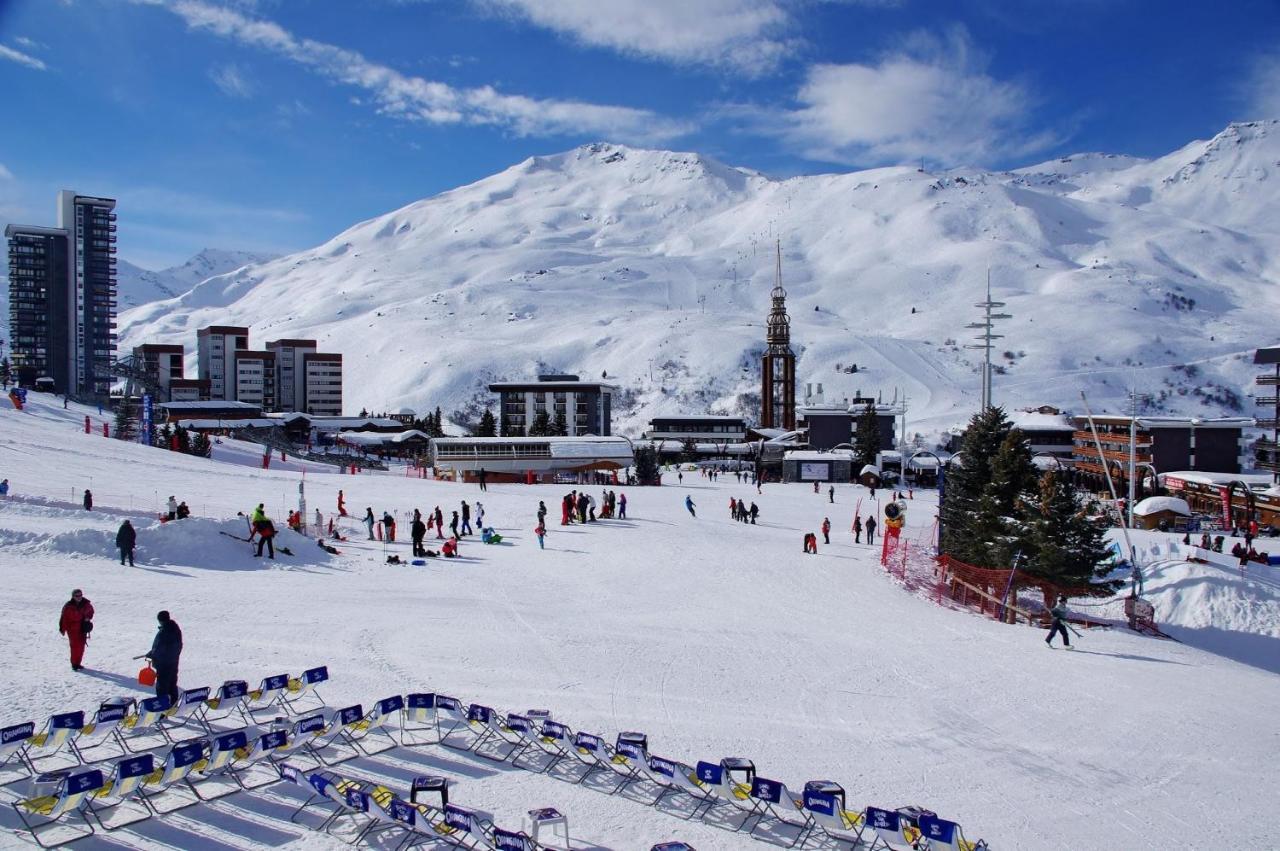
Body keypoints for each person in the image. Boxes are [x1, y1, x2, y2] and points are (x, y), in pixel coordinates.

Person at [147, 610, 183, 707]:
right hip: (174, 661)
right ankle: (173, 706)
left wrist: (152, 654)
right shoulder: (175, 628)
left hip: (164, 664)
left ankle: (162, 710)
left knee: (162, 688)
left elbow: (159, 648)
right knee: (172, 685)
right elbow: (178, 645)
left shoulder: (164, 632)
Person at [59, 589, 94, 671]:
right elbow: (64, 618)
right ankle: (74, 664)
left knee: (81, 646)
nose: (79, 597)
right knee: (75, 646)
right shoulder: (68, 606)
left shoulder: (86, 604)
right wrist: (62, 629)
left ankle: (78, 663)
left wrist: (88, 618)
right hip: (72, 629)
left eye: (80, 595)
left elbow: (91, 612)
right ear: (73, 596)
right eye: (77, 596)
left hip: (82, 628)